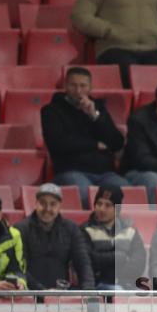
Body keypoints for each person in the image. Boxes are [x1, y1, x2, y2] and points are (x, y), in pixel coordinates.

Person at [41, 67, 127, 207]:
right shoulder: (51, 110)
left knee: (126, 191)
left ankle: (119, 229)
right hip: (71, 170)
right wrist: (95, 145)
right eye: (73, 85)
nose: (78, 90)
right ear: (65, 86)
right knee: (84, 193)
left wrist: (95, 116)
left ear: (90, 87)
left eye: (83, 85)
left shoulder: (99, 108)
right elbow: (57, 144)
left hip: (105, 172)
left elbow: (117, 142)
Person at [71, 0, 157, 88]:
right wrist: (109, 30)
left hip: (151, 49)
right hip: (113, 49)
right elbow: (80, 15)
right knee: (132, 76)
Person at [14, 183, 95, 291]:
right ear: (36, 203)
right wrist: (42, 291)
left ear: (59, 206)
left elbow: (83, 264)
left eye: (53, 204)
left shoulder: (71, 229)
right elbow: (19, 268)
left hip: (61, 295)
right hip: (29, 293)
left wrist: (88, 291)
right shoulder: (20, 229)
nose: (47, 209)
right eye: (43, 203)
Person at [81, 185, 146, 289]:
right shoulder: (85, 230)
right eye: (99, 204)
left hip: (126, 284)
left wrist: (120, 278)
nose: (102, 209)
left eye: (108, 205)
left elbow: (139, 262)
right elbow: (88, 260)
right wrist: (119, 256)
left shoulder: (130, 230)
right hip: (98, 285)